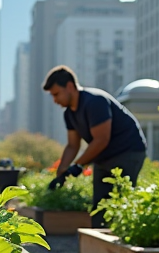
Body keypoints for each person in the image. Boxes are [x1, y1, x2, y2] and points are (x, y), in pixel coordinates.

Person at [43, 65, 148, 227]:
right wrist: (62, 172)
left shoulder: (95, 101)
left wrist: (78, 165)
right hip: (103, 156)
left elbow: (101, 140)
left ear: (70, 87)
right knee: (99, 207)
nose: (55, 100)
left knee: (123, 201)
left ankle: (124, 243)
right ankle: (99, 249)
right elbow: (72, 145)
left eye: (56, 94)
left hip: (128, 151)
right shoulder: (69, 114)